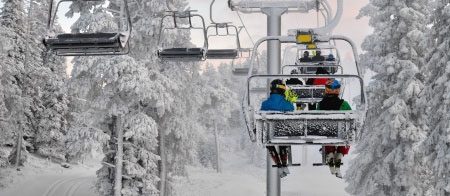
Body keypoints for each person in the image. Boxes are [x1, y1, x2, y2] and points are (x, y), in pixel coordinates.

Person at [317, 79, 351, 178]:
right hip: (340, 133)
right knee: (346, 135)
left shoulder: (320, 104)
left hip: (326, 133)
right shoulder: (344, 105)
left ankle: (330, 154)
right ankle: (339, 156)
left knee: (327, 134)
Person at [261, 79, 294, 178]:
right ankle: (284, 163)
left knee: (268, 140)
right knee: (282, 138)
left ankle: (279, 164)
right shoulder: (287, 104)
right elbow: (292, 109)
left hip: (270, 132)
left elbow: (262, 115)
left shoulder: (265, 104)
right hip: (283, 131)